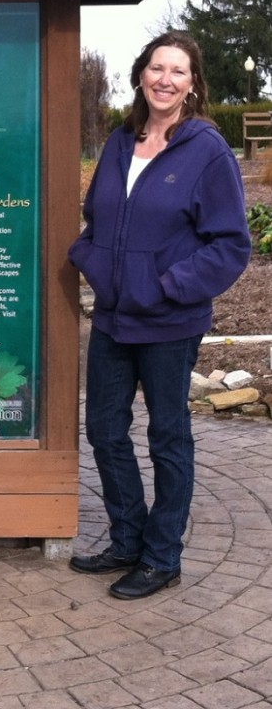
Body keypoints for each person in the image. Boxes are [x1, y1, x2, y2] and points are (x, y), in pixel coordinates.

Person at [68, 31, 251, 599]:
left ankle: (162, 556)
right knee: (103, 428)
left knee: (168, 436)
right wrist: (90, 261)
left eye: (178, 70)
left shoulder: (207, 151)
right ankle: (126, 538)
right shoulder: (121, 142)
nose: (165, 79)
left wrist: (167, 285)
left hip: (171, 321)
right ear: (141, 75)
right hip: (116, 318)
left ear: (193, 83)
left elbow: (230, 244)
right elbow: (97, 218)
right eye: (156, 68)